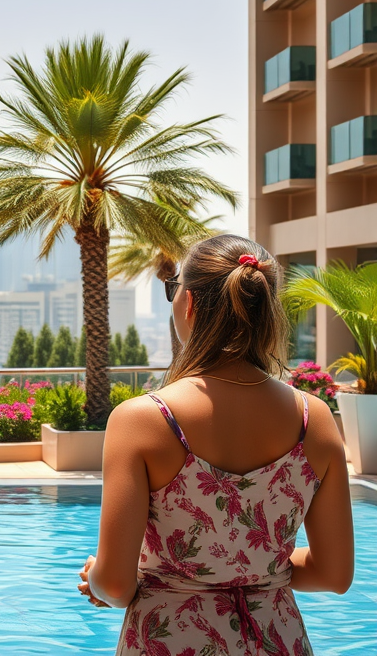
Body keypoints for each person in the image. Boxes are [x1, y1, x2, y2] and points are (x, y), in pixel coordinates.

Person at [79, 235, 354, 655]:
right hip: (277, 639)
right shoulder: (312, 419)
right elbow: (334, 575)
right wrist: (255, 569)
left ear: (187, 303)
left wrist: (98, 576)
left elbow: (115, 586)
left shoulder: (143, 420)